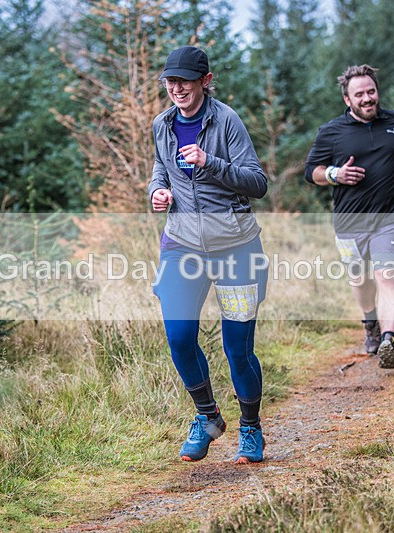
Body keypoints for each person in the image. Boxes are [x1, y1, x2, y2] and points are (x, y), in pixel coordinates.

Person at [149, 46, 269, 463]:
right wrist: (157, 192)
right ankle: (208, 417)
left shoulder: (227, 120)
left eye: (185, 80)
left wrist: (209, 161)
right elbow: (160, 171)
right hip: (181, 245)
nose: (177, 88)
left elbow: (257, 182)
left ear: (205, 80)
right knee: (179, 338)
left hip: (235, 246)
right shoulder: (162, 125)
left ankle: (251, 428)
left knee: (238, 348)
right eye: (170, 81)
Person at [304, 64, 394, 369]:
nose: (368, 98)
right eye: (360, 94)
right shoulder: (331, 132)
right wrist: (336, 174)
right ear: (347, 99)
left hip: (392, 217)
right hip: (349, 221)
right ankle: (370, 322)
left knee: (386, 276)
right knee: (360, 279)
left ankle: (388, 339)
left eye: (371, 91)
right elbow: (312, 172)